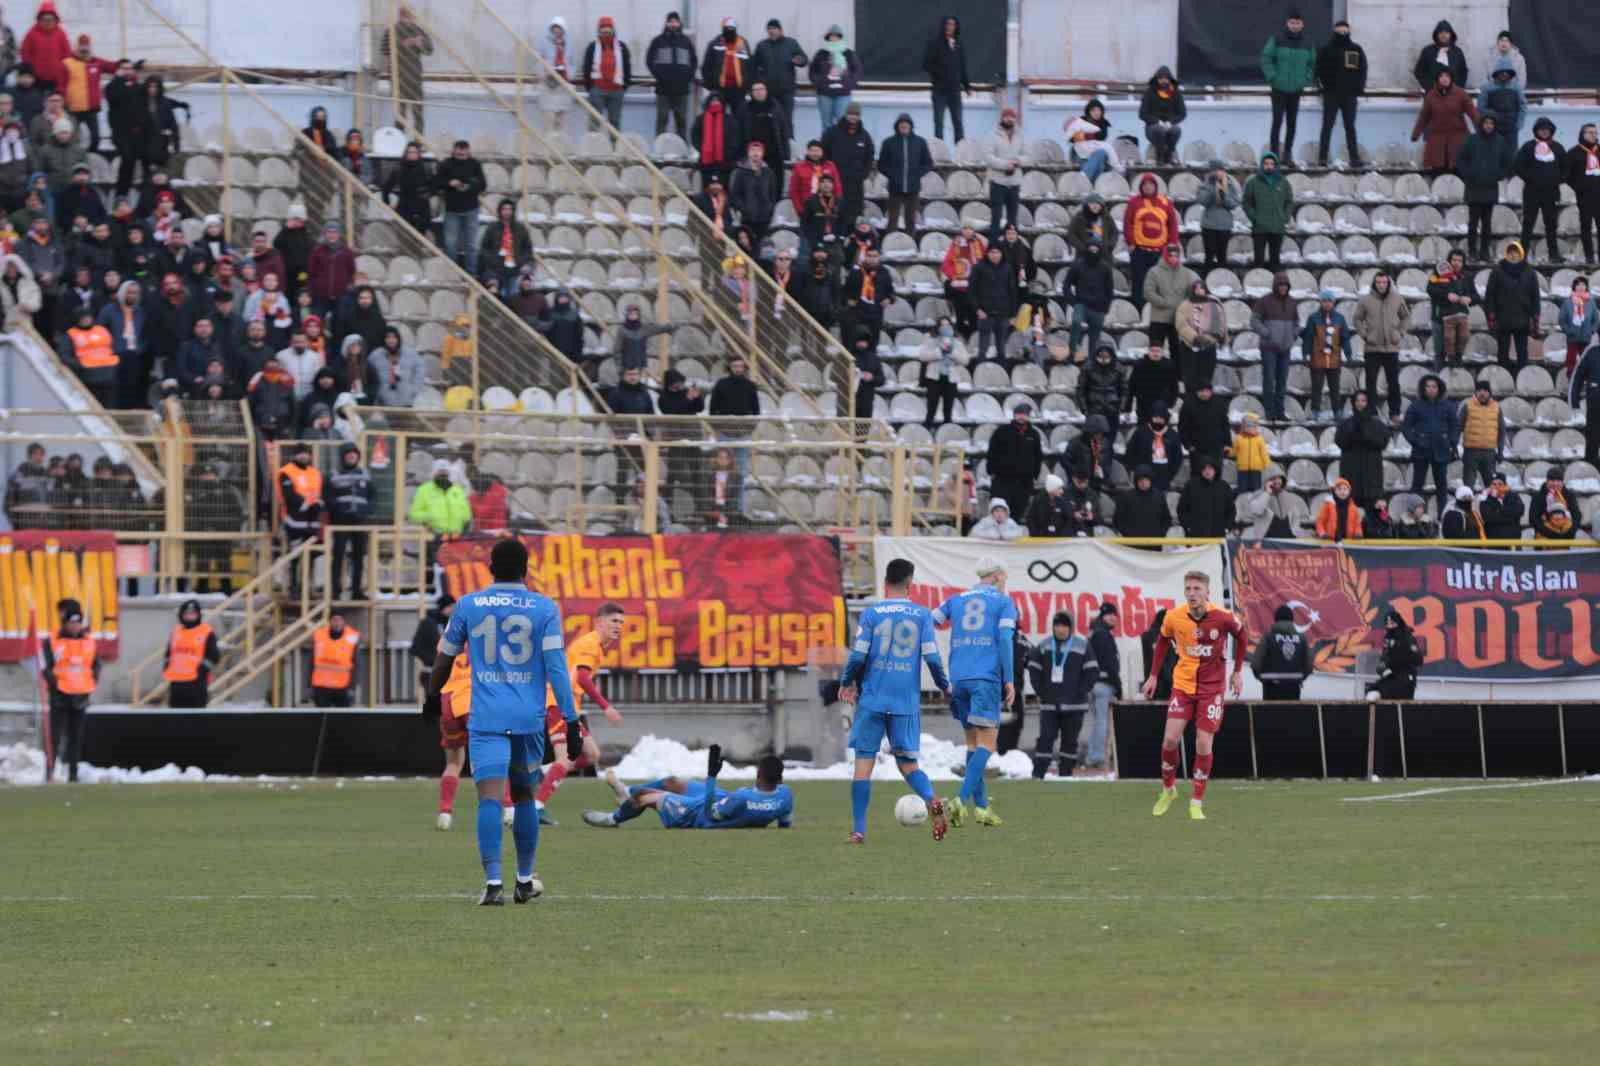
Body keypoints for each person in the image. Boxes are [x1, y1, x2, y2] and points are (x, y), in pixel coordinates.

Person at [425, 538, 579, 905]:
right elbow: (557, 668)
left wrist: (433, 695)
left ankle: (493, 884)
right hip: (528, 718)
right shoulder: (544, 608)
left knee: (490, 800)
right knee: (524, 796)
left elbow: (445, 658)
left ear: (490, 568)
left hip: (487, 719)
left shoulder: (469, 605)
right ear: (526, 570)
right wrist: (571, 720)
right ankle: (524, 880)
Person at [831, 557, 952, 842]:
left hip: (873, 698)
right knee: (907, 764)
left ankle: (859, 830)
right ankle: (930, 799)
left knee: (863, 763)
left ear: (885, 582)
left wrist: (847, 681)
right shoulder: (922, 615)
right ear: (910, 583)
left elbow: (858, 655)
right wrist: (944, 686)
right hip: (904, 702)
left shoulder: (872, 614)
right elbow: (932, 658)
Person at [1144, 571, 1245, 821]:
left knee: (1203, 743)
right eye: (1188, 588)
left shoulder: (1222, 618)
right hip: (1183, 686)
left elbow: (1242, 636)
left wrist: (1238, 672)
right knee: (1169, 740)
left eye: (1196, 588)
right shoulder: (1174, 617)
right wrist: (1154, 676)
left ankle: (1197, 801)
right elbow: (1163, 641)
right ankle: (1169, 790)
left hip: (1212, 690)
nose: (1191, 593)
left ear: (1207, 592)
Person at [933, 557, 1018, 828]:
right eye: (1004, 576)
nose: (1005, 581)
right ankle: (960, 800)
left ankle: (982, 809)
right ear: (995, 576)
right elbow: (1005, 639)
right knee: (988, 743)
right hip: (985, 677)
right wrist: (1010, 678)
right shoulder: (1004, 603)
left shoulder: (956, 600)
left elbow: (931, 620)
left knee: (972, 743)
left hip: (959, 678)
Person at [533, 602, 628, 825]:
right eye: (614, 621)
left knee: (592, 754)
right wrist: (606, 707)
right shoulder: (590, 644)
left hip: (568, 706)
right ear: (599, 623)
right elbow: (583, 678)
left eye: (621, 622)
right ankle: (536, 807)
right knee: (566, 759)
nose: (619, 626)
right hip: (559, 704)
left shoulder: (597, 645)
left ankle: (545, 772)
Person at [584, 745, 793, 831]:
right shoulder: (785, 796)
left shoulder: (742, 799)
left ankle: (613, 819)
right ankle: (625, 792)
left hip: (696, 813)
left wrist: (711, 776)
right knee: (672, 782)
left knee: (645, 798)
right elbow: (785, 823)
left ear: (758, 773)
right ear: (780, 778)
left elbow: (711, 815)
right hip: (725, 799)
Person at [1026, 610, 1097, 780]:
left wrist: (1081, 691)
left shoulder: (1083, 645)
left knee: (1070, 742)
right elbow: (1033, 668)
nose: (1061, 629)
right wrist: (1041, 691)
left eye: (1064, 625)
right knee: (1045, 739)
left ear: (1071, 627)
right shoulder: (1043, 646)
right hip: (1049, 705)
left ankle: (1065, 775)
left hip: (1075, 705)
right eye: (1057, 625)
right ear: (1053, 627)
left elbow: (1093, 671)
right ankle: (1038, 775)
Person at [40, 600, 97, 782]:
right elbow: (45, 666)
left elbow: (95, 666)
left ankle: (73, 775)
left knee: (76, 738)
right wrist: (54, 685)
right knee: (54, 737)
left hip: (81, 695)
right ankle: (49, 773)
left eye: (78, 622)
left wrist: (91, 683)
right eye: (72, 622)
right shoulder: (53, 640)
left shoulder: (89, 641)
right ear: (65, 622)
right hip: (60, 696)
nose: (75, 626)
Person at [1455, 114, 1512, 264]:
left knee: (1487, 223)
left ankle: (1485, 251)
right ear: (1481, 124)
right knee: (1473, 222)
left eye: (1491, 123)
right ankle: (1472, 251)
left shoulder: (1500, 141)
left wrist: (1498, 175)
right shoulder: (1472, 140)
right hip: (1473, 188)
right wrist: (1469, 174)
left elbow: (1508, 163)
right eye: (1486, 123)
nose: (1488, 126)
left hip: (1490, 188)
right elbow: (1461, 160)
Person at [1260, 12, 1314, 165]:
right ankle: (1274, 156)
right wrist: (1273, 77)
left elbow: (1312, 63)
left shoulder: (1308, 42)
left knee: (1292, 123)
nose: (1295, 26)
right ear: (1287, 23)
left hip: (1296, 90)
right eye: (1292, 23)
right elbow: (1266, 58)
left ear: (1302, 24)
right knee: (1277, 122)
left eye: (1297, 23)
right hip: (1279, 88)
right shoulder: (1277, 39)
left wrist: (1305, 80)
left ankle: (1287, 155)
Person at [1353, 271, 1407, 420]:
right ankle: (1372, 412)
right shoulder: (1365, 300)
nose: (1381, 285)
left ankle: (1395, 412)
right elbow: (1357, 319)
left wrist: (1400, 333)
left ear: (1388, 283)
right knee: (1371, 381)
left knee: (1393, 381)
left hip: (1391, 348)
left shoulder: (1397, 298)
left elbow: (1405, 316)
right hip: (1372, 348)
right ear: (1374, 283)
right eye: (1379, 282)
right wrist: (1365, 335)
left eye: (1384, 282)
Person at [1402, 373, 1458, 511]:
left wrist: (1451, 442)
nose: (1431, 389)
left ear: (1439, 388)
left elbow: (1454, 426)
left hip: (1441, 450)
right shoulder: (1416, 406)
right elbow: (1406, 427)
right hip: (1421, 450)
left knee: (1442, 485)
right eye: (1428, 386)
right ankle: (1414, 517)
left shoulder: (1448, 406)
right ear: (1423, 388)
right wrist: (1415, 441)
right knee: (1417, 485)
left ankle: (1442, 517)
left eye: (1434, 386)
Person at [1316, 19, 1367, 168]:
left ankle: (1354, 158)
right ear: (1334, 31)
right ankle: (1322, 158)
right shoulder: (1326, 49)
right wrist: (1321, 88)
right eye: (1340, 31)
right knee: (1327, 126)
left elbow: (1362, 69)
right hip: (1331, 94)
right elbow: (1317, 70)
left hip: (1349, 95)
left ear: (1349, 31)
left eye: (1345, 31)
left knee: (1350, 127)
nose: (1342, 33)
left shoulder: (1356, 49)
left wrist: (1360, 87)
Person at [1514, 118, 1566, 263]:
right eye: (1541, 129)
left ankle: (1554, 254)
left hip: (1551, 192)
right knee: (1528, 224)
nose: (1544, 131)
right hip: (1532, 192)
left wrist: (1558, 179)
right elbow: (1518, 166)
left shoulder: (1557, 148)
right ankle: (1522, 255)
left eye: (1547, 129)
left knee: (1551, 224)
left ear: (1551, 131)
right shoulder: (1528, 147)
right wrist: (1530, 178)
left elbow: (1565, 167)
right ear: (1536, 131)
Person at [431, 140, 486, 275]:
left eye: (464, 150)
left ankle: (471, 273)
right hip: (452, 210)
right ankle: (452, 273)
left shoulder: (475, 164)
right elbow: (435, 183)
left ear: (468, 151)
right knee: (450, 245)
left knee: (471, 245)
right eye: (459, 150)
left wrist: (469, 186)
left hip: (471, 209)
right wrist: (449, 183)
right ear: (454, 150)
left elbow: (483, 184)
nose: (461, 153)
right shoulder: (446, 164)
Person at [1483, 240, 1541, 368]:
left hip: (1522, 318)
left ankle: (1522, 378)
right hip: (1503, 318)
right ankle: (1504, 377)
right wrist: (1491, 316)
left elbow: (1535, 296)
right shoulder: (1497, 271)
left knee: (1522, 353)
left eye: (1516, 252)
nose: (1513, 255)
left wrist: (1535, 316)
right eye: (1510, 252)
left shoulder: (1529, 272)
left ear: (1521, 254)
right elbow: (1490, 296)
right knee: (1502, 351)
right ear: (1506, 254)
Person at [1127, 176, 1179, 315]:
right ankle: (1138, 311)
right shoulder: (1134, 202)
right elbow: (1128, 223)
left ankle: (1159, 312)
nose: (1148, 187)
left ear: (1155, 186)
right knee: (1139, 283)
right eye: (1145, 185)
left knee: (1159, 284)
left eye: (1150, 184)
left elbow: (1173, 225)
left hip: (1159, 251)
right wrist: (1131, 242)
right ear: (1141, 187)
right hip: (1139, 250)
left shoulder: (1165, 202)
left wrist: (1172, 246)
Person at [327, 443, 372, 599]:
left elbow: (373, 495)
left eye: (354, 454)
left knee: (359, 557)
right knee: (338, 556)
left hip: (359, 521)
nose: (352, 457)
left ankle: (357, 590)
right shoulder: (334, 474)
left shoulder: (365, 474)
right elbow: (328, 496)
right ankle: (335, 590)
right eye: (348, 454)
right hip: (340, 521)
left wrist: (366, 510)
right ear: (343, 457)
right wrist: (338, 509)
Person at [1250, 272, 1297, 421]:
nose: (1283, 288)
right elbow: (1254, 320)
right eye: (1280, 285)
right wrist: (1266, 333)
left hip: (1285, 348)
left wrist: (1293, 334)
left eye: (1285, 286)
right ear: (1276, 286)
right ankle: (1269, 412)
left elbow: (1296, 322)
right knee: (1269, 380)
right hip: (1269, 348)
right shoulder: (1264, 301)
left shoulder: (1292, 302)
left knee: (1282, 381)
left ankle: (1280, 411)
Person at [1412, 71, 1478, 177]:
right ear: (1437, 79)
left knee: (1458, 169)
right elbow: (1424, 117)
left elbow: (1473, 113)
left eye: (1447, 76)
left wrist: (1481, 129)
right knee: (1438, 171)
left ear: (1451, 78)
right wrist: (1416, 134)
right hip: (1437, 139)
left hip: (1457, 138)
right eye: (1441, 76)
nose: (1444, 79)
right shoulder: (1431, 96)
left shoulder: (1460, 94)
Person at [379, 5, 434, 134]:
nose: (410, 19)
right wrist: (403, 44)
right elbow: (384, 50)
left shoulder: (418, 30)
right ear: (401, 16)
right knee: (400, 113)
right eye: (407, 16)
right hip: (398, 78)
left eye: (411, 16)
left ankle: (419, 143)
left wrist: (420, 44)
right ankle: (400, 142)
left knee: (418, 112)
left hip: (415, 77)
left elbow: (430, 50)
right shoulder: (392, 31)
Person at [821, 101, 873, 232]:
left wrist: (864, 174)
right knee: (836, 213)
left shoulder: (864, 135)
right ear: (846, 114)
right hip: (836, 182)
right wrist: (828, 173)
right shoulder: (832, 132)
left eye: (856, 114)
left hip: (856, 184)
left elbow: (869, 157)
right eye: (851, 114)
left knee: (855, 215)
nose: (853, 117)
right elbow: (823, 152)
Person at [985, 402, 1044, 517]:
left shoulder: (1034, 434)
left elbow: (1038, 456)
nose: (1021, 416)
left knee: (1018, 511)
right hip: (1003, 480)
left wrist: (1035, 475)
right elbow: (992, 452)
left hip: (1024, 482)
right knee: (999, 512)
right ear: (1014, 415)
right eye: (1018, 414)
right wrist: (991, 471)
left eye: (1024, 414)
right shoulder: (1002, 431)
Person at [1301, 288, 1352, 421]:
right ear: (1320, 302)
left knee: (1335, 387)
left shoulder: (1340, 318)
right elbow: (1308, 337)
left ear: (1333, 302)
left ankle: (1337, 411)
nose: (1327, 304)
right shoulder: (1313, 318)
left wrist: (1348, 353)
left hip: (1334, 359)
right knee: (1317, 387)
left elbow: (1345, 337)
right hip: (1317, 358)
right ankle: (1315, 411)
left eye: (1329, 301)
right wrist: (1306, 353)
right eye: (1324, 301)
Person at [1335, 390, 1390, 512]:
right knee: (1351, 508)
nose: (1360, 403)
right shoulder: (1346, 423)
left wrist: (1367, 436)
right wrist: (1352, 433)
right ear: (1353, 403)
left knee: (1372, 510)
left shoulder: (1377, 424)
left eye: (1363, 400)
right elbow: (1339, 442)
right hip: (1351, 470)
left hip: (1371, 472)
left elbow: (1383, 442)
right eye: (1357, 400)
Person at [645, 11, 696, 138]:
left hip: (682, 90)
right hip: (663, 89)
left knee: (682, 121)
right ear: (666, 23)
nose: (673, 24)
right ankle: (659, 151)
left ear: (679, 23)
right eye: (670, 21)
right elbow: (649, 60)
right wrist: (659, 76)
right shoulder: (658, 41)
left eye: (675, 21)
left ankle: (682, 149)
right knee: (662, 120)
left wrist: (687, 77)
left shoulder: (686, 42)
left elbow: (693, 61)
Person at [1062, 236, 1114, 360]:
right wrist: (1073, 302)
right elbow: (1066, 285)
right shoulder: (1078, 265)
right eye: (1091, 248)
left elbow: (1109, 289)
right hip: (1081, 304)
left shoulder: (1105, 268)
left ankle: (1091, 360)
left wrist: (1106, 307)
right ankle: (1071, 353)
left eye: (1096, 249)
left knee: (1095, 337)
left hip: (1098, 307)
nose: (1093, 251)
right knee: (1076, 322)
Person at [162, 598, 220, 708]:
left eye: (193, 614)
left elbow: (214, 656)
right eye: (187, 614)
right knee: (175, 718)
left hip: (196, 682)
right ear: (181, 615)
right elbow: (169, 653)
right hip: (176, 681)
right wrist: (166, 666)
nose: (190, 616)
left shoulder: (206, 631)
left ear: (198, 615)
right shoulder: (176, 631)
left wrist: (202, 671)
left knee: (195, 718)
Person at [1174, 279, 1227, 396]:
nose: (1199, 290)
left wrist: (1211, 338)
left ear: (1205, 289)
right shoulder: (1184, 305)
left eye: (1201, 287)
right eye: (1196, 288)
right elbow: (1181, 324)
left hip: (1208, 346)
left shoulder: (1214, 303)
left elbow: (1220, 322)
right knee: (1190, 379)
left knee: (1206, 378)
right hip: (1189, 347)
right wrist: (1195, 338)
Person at [57, 303, 116, 407]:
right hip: (88, 378)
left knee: (109, 408)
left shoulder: (102, 330)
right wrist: (80, 366)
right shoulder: (71, 334)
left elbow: (113, 348)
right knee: (91, 407)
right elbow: (64, 356)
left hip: (108, 376)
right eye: (83, 318)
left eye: (88, 317)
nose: (86, 320)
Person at [923, 16, 971, 144]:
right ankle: (939, 153)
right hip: (939, 91)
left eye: (953, 24)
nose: (950, 27)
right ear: (943, 26)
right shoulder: (934, 43)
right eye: (948, 24)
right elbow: (927, 64)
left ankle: (961, 153)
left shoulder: (958, 44)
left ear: (956, 27)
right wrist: (941, 76)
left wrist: (966, 85)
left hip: (955, 91)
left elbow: (962, 67)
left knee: (958, 122)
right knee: (939, 122)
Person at [1242, 152, 1292, 270]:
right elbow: (1246, 202)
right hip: (1259, 228)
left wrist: (1285, 217)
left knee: (1275, 261)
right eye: (1266, 163)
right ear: (1262, 165)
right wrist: (1254, 218)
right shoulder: (1253, 182)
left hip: (1277, 227)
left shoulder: (1283, 182)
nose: (1269, 166)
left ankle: (1274, 286)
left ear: (1275, 166)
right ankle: (1259, 285)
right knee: (1259, 260)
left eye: (1271, 164)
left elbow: (1289, 201)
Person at [1249, 605, 1311, 700]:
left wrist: (1263, 679)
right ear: (1292, 620)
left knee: (1272, 714)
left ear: (1276, 619)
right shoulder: (1302, 639)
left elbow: (1255, 664)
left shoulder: (1268, 638)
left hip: (1271, 688)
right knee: (1291, 713)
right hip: (1293, 687)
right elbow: (1309, 666)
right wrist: (1300, 679)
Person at [579, 16, 630, 131]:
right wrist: (591, 88)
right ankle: (592, 147)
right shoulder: (592, 47)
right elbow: (586, 67)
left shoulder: (622, 47)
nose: (606, 31)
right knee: (594, 121)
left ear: (613, 30)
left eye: (608, 28)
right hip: (598, 89)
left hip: (616, 90)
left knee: (615, 122)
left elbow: (627, 67)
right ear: (599, 30)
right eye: (603, 28)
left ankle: (614, 148)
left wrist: (624, 86)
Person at [752, 19, 807, 125]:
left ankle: (787, 140)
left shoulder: (791, 43)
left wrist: (800, 60)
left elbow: (804, 59)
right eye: (769, 29)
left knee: (786, 119)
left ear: (780, 30)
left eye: (774, 28)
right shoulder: (762, 46)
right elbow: (754, 66)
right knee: (769, 120)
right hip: (768, 91)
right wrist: (759, 82)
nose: (771, 31)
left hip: (786, 90)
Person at [1426, 249, 1474, 368]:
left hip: (1460, 318)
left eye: (1460, 261)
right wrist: (1446, 295)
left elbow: (1475, 295)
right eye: (1454, 260)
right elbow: (1430, 289)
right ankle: (1438, 380)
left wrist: (1469, 299)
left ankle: (1456, 379)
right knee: (1440, 353)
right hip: (1440, 319)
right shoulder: (1438, 272)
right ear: (1449, 260)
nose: (1456, 263)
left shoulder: (1467, 276)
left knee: (1458, 353)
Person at [809, 25, 861, 132]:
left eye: (837, 36)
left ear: (841, 37)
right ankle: (826, 147)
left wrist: (848, 84)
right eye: (831, 36)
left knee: (843, 123)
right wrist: (819, 83)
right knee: (826, 124)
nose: (834, 38)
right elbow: (812, 71)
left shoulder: (848, 53)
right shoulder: (821, 53)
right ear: (827, 38)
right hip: (824, 94)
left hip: (843, 94)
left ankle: (841, 147)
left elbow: (857, 70)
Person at [1457, 379, 1505, 490]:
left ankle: (1492, 507)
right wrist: (1454, 447)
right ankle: (1467, 507)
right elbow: (1458, 428)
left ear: (1489, 392)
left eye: (1485, 390)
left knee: (1492, 486)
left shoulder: (1497, 407)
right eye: (1479, 390)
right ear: (1475, 392)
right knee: (1468, 486)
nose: (1482, 393)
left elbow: (1502, 431)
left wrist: (1501, 451)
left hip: (1489, 454)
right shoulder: (1467, 406)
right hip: (1471, 452)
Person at [277, 443, 324, 555]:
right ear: (294, 455)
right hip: (294, 519)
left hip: (312, 519)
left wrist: (318, 504)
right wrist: (307, 503)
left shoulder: (315, 472)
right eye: (300, 453)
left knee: (312, 554)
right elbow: (289, 496)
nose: (304, 456)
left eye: (306, 453)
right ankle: (294, 572)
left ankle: (309, 573)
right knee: (295, 554)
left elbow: (320, 493)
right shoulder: (287, 472)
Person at [309, 609, 361, 707]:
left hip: (343, 687)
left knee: (342, 719)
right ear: (330, 621)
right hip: (321, 687)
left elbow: (357, 664)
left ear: (344, 621)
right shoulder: (319, 636)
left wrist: (352, 687)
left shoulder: (351, 637)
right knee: (321, 719)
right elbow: (311, 662)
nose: (337, 623)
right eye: (334, 620)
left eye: (339, 620)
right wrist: (309, 686)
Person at [1062, 98, 1120, 185]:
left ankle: (1086, 181)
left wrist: (1083, 135)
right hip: (1081, 156)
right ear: (1089, 111)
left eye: (1098, 110)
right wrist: (1088, 136)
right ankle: (1087, 183)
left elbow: (1101, 136)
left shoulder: (1104, 123)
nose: (1096, 113)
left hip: (1095, 154)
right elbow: (1071, 138)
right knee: (1098, 161)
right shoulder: (1080, 121)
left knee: (1101, 153)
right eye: (1093, 110)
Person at [1195, 161, 1240, 271]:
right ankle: (1205, 282)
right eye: (1215, 170)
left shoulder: (1229, 184)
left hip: (1225, 226)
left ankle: (1221, 282)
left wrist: (1224, 196)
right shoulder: (1204, 185)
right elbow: (1202, 201)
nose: (1218, 172)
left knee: (1222, 258)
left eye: (1220, 170)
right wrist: (1213, 190)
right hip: (1209, 226)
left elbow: (1234, 203)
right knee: (1209, 258)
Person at [408, 458, 470, 538]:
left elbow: (467, 515)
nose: (443, 475)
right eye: (440, 472)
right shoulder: (423, 490)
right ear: (434, 473)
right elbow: (414, 515)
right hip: (434, 537)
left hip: (456, 538)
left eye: (445, 472)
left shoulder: (458, 491)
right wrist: (430, 517)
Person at [691, 93, 741, 189]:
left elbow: (735, 138)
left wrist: (729, 153)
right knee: (706, 189)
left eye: (717, 101)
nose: (715, 103)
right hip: (706, 163)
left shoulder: (730, 120)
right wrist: (702, 148)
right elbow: (695, 136)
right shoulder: (700, 119)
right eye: (712, 101)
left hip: (726, 163)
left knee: (725, 189)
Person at [701, 17, 751, 113]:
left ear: (736, 30)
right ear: (722, 29)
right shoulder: (715, 44)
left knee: (739, 117)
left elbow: (750, 66)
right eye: (727, 29)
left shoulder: (743, 44)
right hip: (719, 89)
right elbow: (706, 66)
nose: (729, 31)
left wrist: (748, 87)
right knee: (719, 116)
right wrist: (710, 86)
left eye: (732, 29)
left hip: (739, 90)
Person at [1177, 455, 1235, 539]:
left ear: (1215, 469)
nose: (1207, 471)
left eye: (1210, 468)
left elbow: (1231, 510)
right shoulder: (1191, 486)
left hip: (1218, 536)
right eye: (1204, 468)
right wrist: (1188, 527)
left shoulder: (1224, 486)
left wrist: (1226, 528)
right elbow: (1182, 509)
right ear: (1200, 470)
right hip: (1195, 536)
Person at [1568, 124, 1600, 266]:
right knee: (1586, 227)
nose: (1594, 135)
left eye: (1595, 132)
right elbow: (1567, 175)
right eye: (1590, 132)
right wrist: (1578, 186)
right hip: (1584, 196)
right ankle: (1589, 256)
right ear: (1583, 134)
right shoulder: (1574, 152)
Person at [1476, 58, 1526, 149]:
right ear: (1496, 72)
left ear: (1511, 73)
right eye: (1501, 71)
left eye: (1507, 72)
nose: (1504, 74)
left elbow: (1522, 106)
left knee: (1511, 156)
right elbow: (1481, 107)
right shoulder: (1487, 88)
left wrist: (1518, 124)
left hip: (1511, 129)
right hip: (1493, 128)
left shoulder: (1516, 88)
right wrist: (1486, 125)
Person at [1139, 66, 1185, 165]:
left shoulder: (1176, 93)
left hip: (1170, 126)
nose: (1163, 81)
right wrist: (1157, 121)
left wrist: (1171, 122)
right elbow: (1142, 114)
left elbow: (1182, 113)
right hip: (1152, 128)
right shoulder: (1149, 92)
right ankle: (1159, 156)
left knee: (1176, 130)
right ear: (1157, 79)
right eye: (1161, 78)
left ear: (1169, 79)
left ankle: (1169, 154)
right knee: (1159, 130)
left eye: (1165, 78)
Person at [21, 3, 71, 91]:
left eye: (50, 19)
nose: (48, 22)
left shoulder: (60, 33)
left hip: (56, 79)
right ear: (39, 19)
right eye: (45, 19)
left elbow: (67, 55)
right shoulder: (32, 33)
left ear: (55, 19)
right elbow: (25, 53)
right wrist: (29, 72)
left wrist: (62, 73)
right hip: (36, 79)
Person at [1178, 378, 1231, 459]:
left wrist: (1227, 443)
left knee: (1216, 470)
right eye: (1202, 391)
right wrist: (1188, 445)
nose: (1205, 394)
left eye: (1207, 391)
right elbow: (1182, 426)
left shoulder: (1219, 403)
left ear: (1211, 391)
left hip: (1216, 448)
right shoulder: (1188, 405)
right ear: (1197, 391)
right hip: (1197, 449)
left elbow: (1225, 424)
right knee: (1197, 471)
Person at [1115, 464, 1171, 540]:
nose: (1143, 482)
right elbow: (1118, 520)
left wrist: (1160, 534)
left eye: (1146, 479)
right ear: (1136, 481)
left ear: (1151, 480)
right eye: (1140, 480)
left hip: (1155, 543)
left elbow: (1167, 519)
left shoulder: (1159, 497)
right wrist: (1128, 534)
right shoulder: (1126, 498)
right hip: (1132, 544)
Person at [1375, 610, 1422, 700]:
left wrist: (1395, 661)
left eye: (1392, 623)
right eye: (1387, 624)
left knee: (1403, 709)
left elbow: (1418, 660)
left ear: (1398, 623)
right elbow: (1385, 657)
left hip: (1405, 680)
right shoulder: (1388, 639)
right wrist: (1382, 666)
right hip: (1390, 678)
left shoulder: (1407, 638)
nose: (1389, 626)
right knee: (1372, 694)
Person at [1413, 20, 1467, 92]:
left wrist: (1458, 88)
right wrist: (1429, 87)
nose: (1443, 35)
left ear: (1451, 34)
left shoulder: (1457, 52)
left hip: (1454, 94)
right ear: (1436, 34)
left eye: (1446, 32)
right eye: (1441, 32)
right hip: (1432, 93)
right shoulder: (1427, 51)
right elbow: (1419, 72)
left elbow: (1463, 71)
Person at [1528, 466, 1577, 542]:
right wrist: (1551, 534)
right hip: (1543, 539)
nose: (1555, 483)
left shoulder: (1569, 495)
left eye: (1558, 480)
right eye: (1552, 480)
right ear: (1547, 481)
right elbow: (1533, 519)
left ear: (1562, 482)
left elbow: (1577, 515)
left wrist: (1570, 532)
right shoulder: (1538, 497)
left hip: (1566, 539)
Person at [1314, 477, 1363, 541]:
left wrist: (1358, 533)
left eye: (1345, 489)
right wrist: (1322, 534)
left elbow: (1357, 524)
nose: (1342, 491)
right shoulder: (1328, 505)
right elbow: (1320, 521)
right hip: (1330, 541)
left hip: (1348, 541)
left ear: (1349, 491)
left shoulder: (1353, 507)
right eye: (1339, 489)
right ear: (1335, 491)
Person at [1481, 471, 1525, 540]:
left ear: (1504, 485)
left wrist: (1499, 510)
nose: (1497, 486)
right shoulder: (1485, 499)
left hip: (1513, 540)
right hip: (1493, 541)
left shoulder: (1513, 496)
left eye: (1500, 484)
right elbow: (1488, 517)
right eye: (1494, 484)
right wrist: (1510, 518)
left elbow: (1519, 511)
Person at [1233, 412, 1269, 493]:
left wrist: (1267, 463)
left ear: (1256, 427)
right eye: (1247, 426)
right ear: (1243, 427)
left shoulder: (1259, 439)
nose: (1249, 429)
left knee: (1256, 489)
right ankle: (1242, 503)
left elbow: (1263, 453)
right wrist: (1229, 452)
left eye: (1252, 427)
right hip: (1242, 468)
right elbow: (1235, 451)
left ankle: (1255, 504)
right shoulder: (1238, 438)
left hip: (1256, 469)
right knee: (1242, 489)